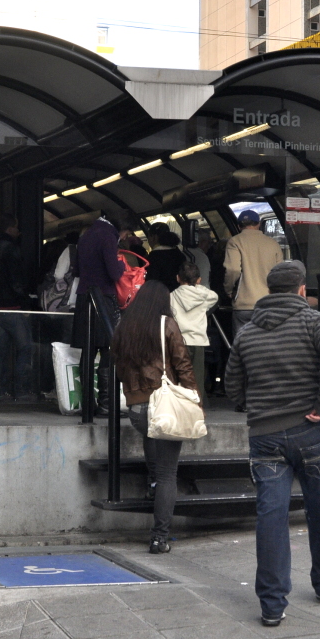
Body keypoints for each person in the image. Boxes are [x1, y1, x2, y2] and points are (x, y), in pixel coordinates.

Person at [225, 261, 320, 627]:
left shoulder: (247, 333)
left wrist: (254, 405)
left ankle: (272, 605)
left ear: (269, 290)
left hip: (265, 439)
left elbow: (232, 386)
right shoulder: (315, 322)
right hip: (309, 433)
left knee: (271, 517)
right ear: (300, 289)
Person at [110, 281, 197, 554]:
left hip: (136, 408)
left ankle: (152, 484)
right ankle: (159, 537)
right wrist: (192, 396)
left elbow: (117, 367)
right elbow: (182, 363)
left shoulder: (125, 326)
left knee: (151, 438)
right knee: (168, 473)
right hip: (165, 405)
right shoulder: (167, 325)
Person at [72, 211, 132, 415]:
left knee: (87, 352)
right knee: (109, 350)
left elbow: (77, 271)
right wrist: (122, 264)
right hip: (103, 299)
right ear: (121, 228)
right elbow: (114, 273)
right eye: (125, 234)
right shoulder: (108, 236)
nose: (124, 238)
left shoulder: (86, 235)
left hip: (84, 298)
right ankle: (107, 404)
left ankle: (88, 403)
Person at [224, 210, 283, 335]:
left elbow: (233, 269)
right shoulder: (273, 243)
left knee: (242, 346)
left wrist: (229, 291)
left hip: (244, 304)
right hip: (268, 304)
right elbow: (279, 274)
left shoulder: (235, 242)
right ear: (259, 224)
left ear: (239, 226)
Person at [0, 214, 34, 400]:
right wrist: (26, 303)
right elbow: (16, 280)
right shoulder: (11, 249)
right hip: (13, 307)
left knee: (1, 352)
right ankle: (21, 390)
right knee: (25, 347)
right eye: (17, 228)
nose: (19, 232)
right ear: (10, 229)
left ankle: (0, 390)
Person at [170, 262, 218, 408]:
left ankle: (179, 408)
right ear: (199, 280)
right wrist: (199, 288)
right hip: (198, 341)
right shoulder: (204, 296)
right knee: (196, 378)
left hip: (179, 342)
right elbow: (214, 296)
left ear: (178, 278)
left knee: (178, 376)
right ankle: (197, 408)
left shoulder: (172, 296)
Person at [145, 226, 186, 291]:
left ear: (154, 237)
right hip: (180, 293)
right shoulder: (180, 255)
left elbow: (151, 280)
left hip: (162, 295)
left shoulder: (154, 256)